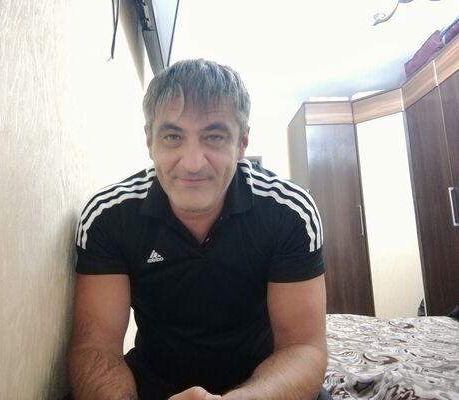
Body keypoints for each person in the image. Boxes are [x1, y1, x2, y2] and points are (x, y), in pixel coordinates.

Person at [68, 59, 330, 400]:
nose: (192, 163)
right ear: (150, 141)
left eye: (214, 137)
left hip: (263, 385)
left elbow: (303, 347)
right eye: (173, 137)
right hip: (150, 382)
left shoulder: (289, 212)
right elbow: (96, 349)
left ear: (242, 143)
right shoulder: (108, 217)